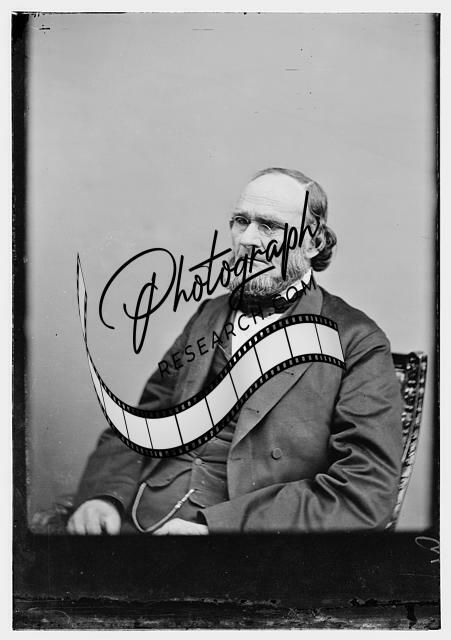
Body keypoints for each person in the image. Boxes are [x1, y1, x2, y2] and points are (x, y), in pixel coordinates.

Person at [67, 167, 403, 535]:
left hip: (239, 535)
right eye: (241, 221)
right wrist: (104, 495)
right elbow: (145, 420)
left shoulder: (357, 339)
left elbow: (366, 489)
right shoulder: (210, 313)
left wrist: (216, 530)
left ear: (313, 244)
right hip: (139, 510)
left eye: (270, 226)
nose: (248, 239)